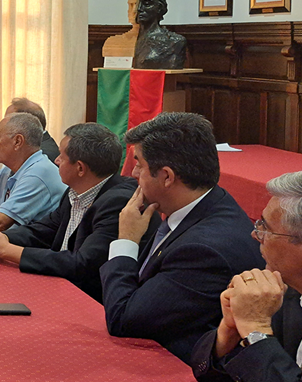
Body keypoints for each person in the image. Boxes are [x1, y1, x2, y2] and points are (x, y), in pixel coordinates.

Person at [100, 112, 264, 361]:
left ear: (166, 176)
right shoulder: (209, 202)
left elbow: (123, 320)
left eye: (140, 164)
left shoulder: (204, 251)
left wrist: (127, 241)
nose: (133, 173)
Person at [0, 123, 150, 302]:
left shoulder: (118, 202)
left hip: (89, 303)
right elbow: (44, 230)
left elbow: (82, 264)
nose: (56, 161)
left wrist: (6, 250)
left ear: (80, 168)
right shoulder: (74, 191)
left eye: (61, 158)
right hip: (60, 287)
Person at [191, 171, 302, 382]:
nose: (255, 235)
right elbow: (208, 375)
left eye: (265, 228)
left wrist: (255, 330)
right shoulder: (287, 289)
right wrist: (230, 333)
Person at [132, 0, 187, 70]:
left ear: (159, 8)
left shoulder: (174, 42)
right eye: (138, 4)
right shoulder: (133, 40)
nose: (139, 9)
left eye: (146, 4)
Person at [6, 97, 59, 164]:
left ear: (25, 123)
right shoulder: (32, 145)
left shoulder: (42, 154)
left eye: (8, 121)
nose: (4, 125)